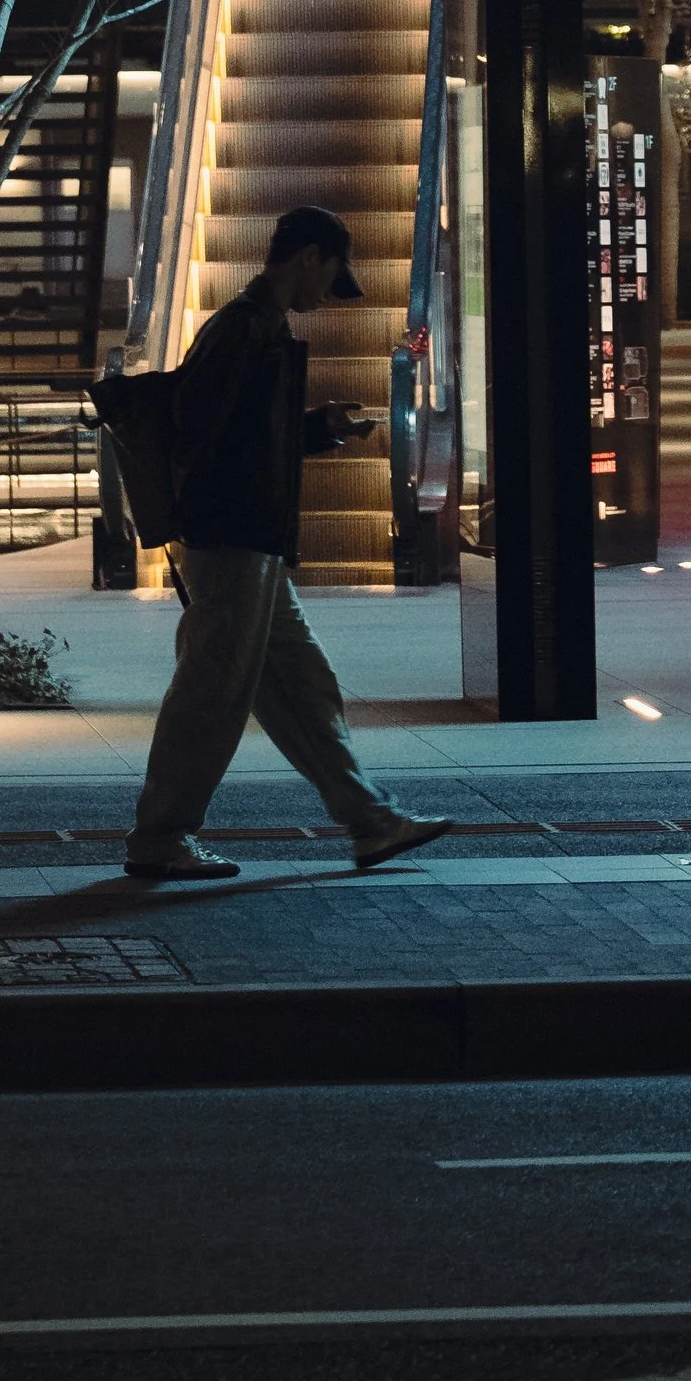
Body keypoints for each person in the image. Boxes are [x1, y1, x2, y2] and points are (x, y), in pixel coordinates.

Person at [125, 204, 453, 885]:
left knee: (303, 687)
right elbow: (203, 432)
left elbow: (233, 429)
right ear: (309, 256)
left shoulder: (254, 327)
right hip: (235, 539)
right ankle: (161, 838)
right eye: (328, 276)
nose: (325, 296)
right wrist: (290, 439)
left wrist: (313, 427)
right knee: (212, 693)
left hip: (252, 542)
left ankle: (371, 822)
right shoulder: (246, 329)